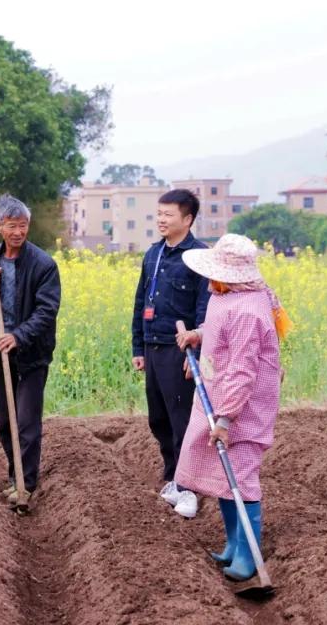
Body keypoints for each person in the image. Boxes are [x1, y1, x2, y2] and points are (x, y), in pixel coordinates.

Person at [174, 233, 291, 582]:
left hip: (244, 403)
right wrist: (198, 336)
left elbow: (242, 370)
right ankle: (232, 544)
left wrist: (225, 419)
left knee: (240, 474)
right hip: (220, 391)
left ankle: (247, 555)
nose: (209, 278)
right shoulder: (225, 295)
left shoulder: (248, 310)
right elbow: (218, 330)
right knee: (226, 475)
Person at [0, 194, 61, 507]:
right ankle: (15, 476)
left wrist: (18, 336)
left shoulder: (43, 264)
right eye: (11, 226)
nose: (18, 232)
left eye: (23, 225)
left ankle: (26, 484)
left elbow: (47, 311)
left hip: (32, 352)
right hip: (0, 350)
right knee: (6, 422)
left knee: (27, 422)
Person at [131, 189, 211, 518]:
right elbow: (141, 303)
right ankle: (173, 478)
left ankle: (188, 486)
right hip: (153, 346)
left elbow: (206, 310)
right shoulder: (153, 254)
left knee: (182, 420)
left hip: (181, 351)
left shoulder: (200, 257)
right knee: (159, 418)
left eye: (168, 214)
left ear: (188, 219)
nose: (161, 220)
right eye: (159, 214)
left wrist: (199, 354)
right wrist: (138, 347)